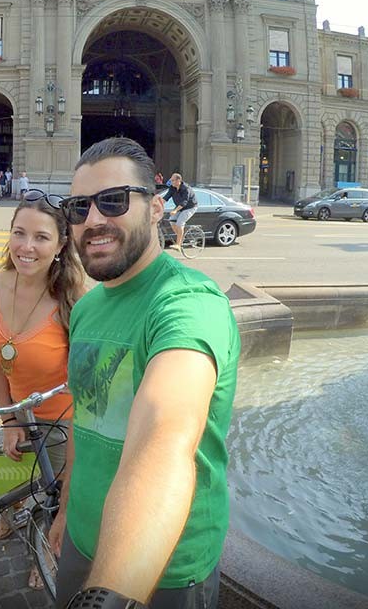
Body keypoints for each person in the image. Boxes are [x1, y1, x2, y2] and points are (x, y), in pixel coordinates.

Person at [49, 137, 240, 609]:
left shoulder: (188, 303)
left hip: (163, 569)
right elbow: (85, 414)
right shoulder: (89, 306)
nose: (93, 220)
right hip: (80, 538)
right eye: (78, 208)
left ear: (156, 209)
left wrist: (107, 597)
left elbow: (164, 436)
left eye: (113, 201)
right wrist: (67, 509)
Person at [0, 190, 86, 585]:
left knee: (55, 497)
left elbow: (86, 387)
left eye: (41, 237)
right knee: (10, 477)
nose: (27, 246)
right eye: (19, 233)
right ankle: (9, 519)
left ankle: (45, 552)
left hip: (61, 420)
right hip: (19, 410)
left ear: (60, 245)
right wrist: (9, 418)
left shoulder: (74, 300)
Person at [162, 173, 198, 255]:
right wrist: (157, 205)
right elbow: (166, 198)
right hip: (180, 207)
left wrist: (175, 211)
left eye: (173, 180)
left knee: (180, 223)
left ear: (178, 180)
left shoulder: (186, 188)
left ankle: (178, 244)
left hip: (190, 207)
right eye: (171, 180)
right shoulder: (172, 188)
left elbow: (184, 202)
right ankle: (180, 237)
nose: (171, 182)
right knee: (172, 220)